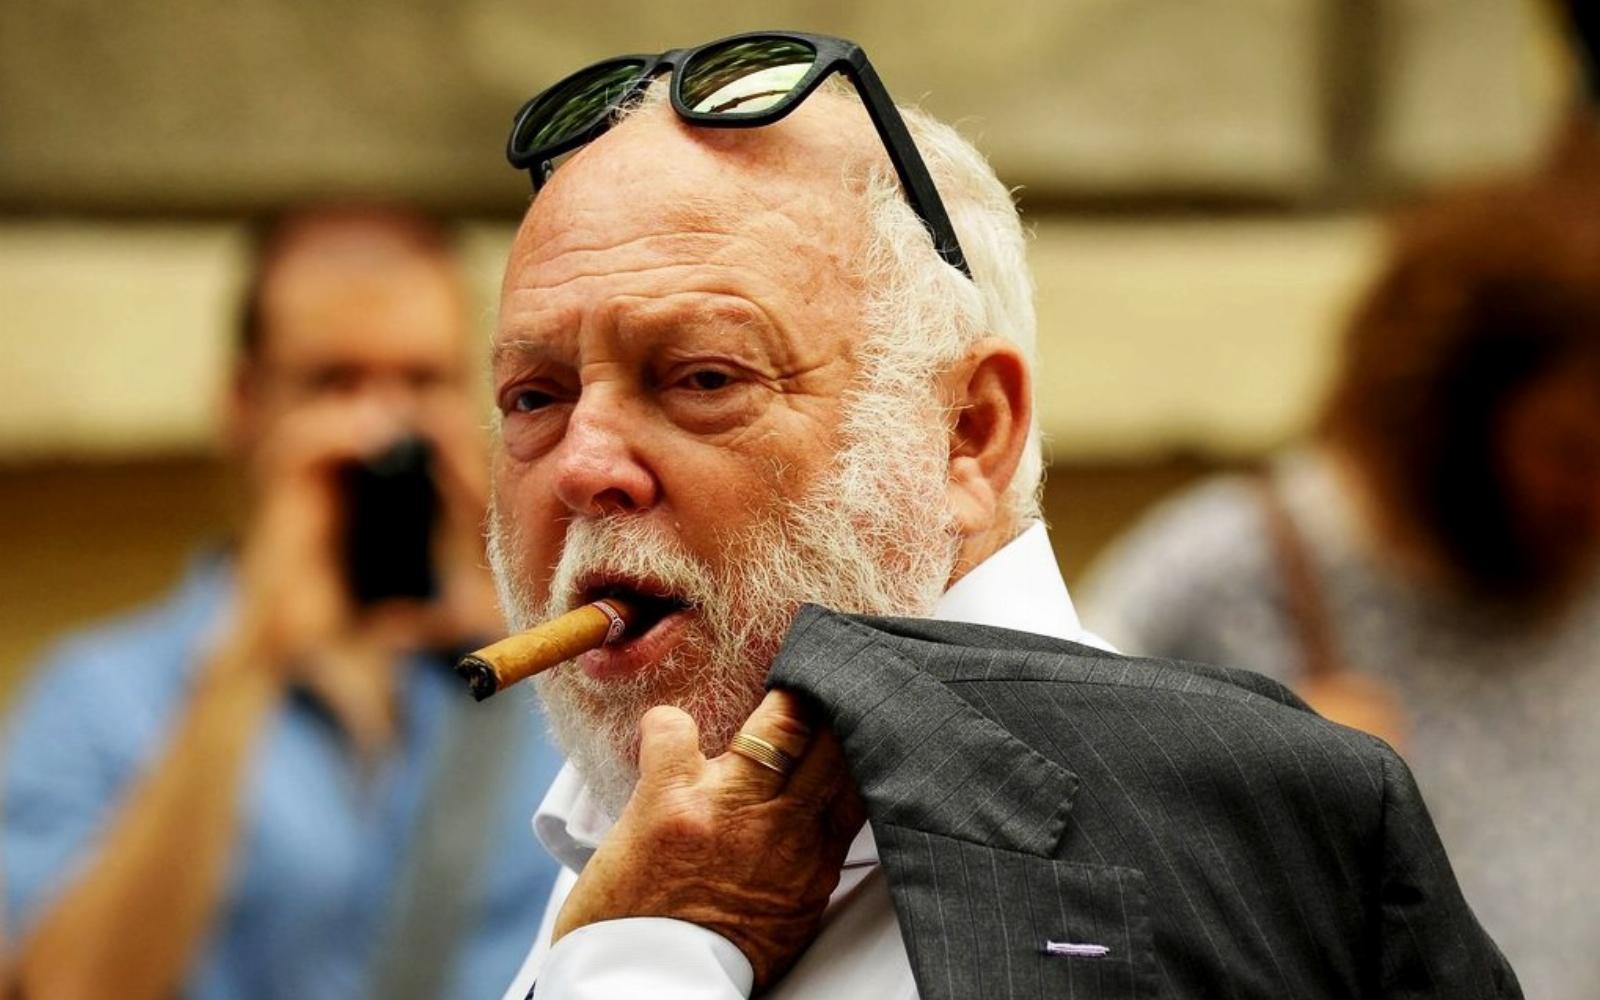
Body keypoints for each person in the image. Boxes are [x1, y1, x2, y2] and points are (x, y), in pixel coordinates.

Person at [482, 31, 1520, 1000]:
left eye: (704, 378)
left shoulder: (1228, 833)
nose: (584, 466)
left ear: (968, 434)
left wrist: (644, 953)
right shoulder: (628, 820)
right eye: (534, 398)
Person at [1, 207, 564, 1000]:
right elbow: (64, 990)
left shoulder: (559, 672)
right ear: (243, 403)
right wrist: (248, 659)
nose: (384, 428)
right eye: (334, 383)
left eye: (422, 382)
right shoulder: (100, 697)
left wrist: (515, 598)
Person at [1081, 168, 1600, 1000]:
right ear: (1455, 416)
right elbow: (1040, 837)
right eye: (1571, 454)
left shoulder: (1582, 577)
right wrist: (1259, 787)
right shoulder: (1228, 566)